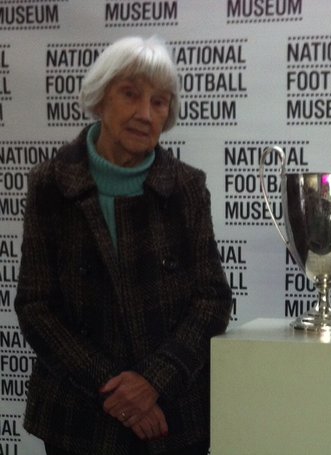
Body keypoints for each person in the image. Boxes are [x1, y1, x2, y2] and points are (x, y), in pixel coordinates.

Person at [15, 36, 232, 455]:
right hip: (78, 419)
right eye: (130, 94)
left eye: (159, 102)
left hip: (171, 416)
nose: (144, 113)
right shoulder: (50, 184)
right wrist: (118, 390)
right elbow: (36, 306)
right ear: (100, 98)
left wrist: (152, 382)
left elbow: (211, 300)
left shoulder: (187, 186)